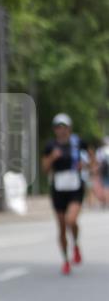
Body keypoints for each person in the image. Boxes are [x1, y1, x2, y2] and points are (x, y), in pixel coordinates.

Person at [41, 113, 94, 275]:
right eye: (58, 127)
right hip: (58, 189)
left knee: (71, 220)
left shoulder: (78, 143)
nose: (61, 130)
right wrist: (51, 158)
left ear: (69, 128)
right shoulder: (50, 146)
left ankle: (76, 244)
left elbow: (93, 161)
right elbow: (45, 169)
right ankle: (66, 260)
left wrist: (85, 165)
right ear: (55, 129)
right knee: (62, 226)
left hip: (75, 187)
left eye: (64, 127)